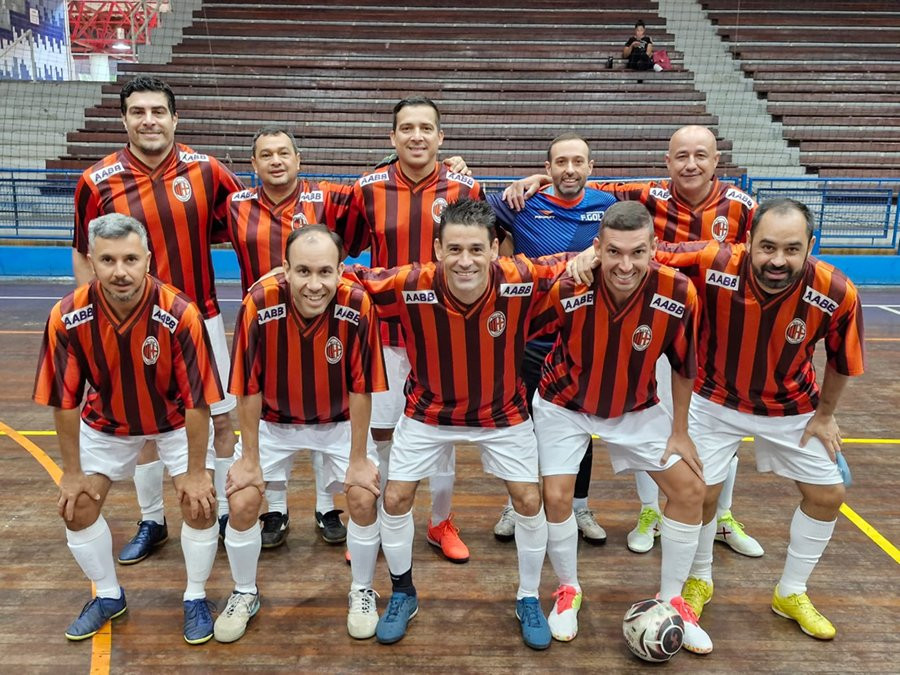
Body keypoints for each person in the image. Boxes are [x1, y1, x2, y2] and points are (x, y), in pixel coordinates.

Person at [571, 198, 865, 642]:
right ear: (748, 242)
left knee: (829, 494)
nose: (777, 260)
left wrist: (825, 416)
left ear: (810, 246)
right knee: (697, 491)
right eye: (767, 247)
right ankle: (699, 579)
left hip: (790, 406)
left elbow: (843, 360)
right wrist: (591, 254)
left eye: (791, 249)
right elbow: (650, 250)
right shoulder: (714, 260)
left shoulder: (837, 292)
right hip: (713, 398)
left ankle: (791, 591)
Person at [504, 124, 763, 558]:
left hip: (712, 334)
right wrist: (543, 181)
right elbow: (584, 183)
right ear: (668, 161)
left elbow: (768, 254)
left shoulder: (743, 206)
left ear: (717, 161)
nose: (691, 164)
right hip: (643, 323)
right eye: (681, 155)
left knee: (710, 435)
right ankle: (649, 511)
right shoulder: (650, 195)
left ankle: (722, 516)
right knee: (650, 419)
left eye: (702, 155)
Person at [348, 199, 568, 649]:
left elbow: (571, 261)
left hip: (502, 412)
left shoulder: (521, 279)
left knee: (529, 500)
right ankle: (404, 593)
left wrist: (591, 256)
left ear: (495, 249)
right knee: (395, 496)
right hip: (429, 410)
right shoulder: (409, 284)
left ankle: (528, 596)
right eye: (453, 249)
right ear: (436, 250)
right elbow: (351, 276)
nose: (464, 260)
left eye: (475, 249)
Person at [71, 76, 243, 563]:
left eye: (158, 111)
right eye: (138, 111)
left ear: (174, 118)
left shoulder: (206, 171)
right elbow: (84, 254)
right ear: (124, 119)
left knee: (223, 417)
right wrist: (90, 322)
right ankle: (152, 519)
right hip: (128, 328)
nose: (149, 120)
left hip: (200, 319)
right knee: (143, 424)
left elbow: (257, 214)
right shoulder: (96, 180)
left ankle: (226, 509)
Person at [33, 214, 225, 644]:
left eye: (130, 259)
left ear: (148, 261)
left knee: (200, 504)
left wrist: (196, 472)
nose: (120, 271)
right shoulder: (67, 316)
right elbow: (64, 403)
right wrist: (71, 470)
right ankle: (107, 595)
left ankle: (195, 597)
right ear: (90, 261)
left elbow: (198, 402)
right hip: (108, 422)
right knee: (77, 506)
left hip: (176, 421)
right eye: (108, 260)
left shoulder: (180, 313)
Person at [532, 201, 711, 653]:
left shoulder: (678, 291)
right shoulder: (570, 280)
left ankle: (673, 599)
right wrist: (561, 274)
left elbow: (685, 365)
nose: (625, 264)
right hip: (564, 403)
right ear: (597, 248)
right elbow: (521, 314)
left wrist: (680, 431)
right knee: (555, 495)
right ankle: (568, 588)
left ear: (654, 248)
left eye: (636, 252)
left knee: (691, 491)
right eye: (613, 252)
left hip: (636, 406)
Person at [218, 225, 387, 642]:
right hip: (276, 423)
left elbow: (361, 388)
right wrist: (250, 459)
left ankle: (362, 589)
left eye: (326, 272)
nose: (315, 284)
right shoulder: (259, 304)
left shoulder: (358, 304)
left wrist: (359, 457)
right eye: (304, 271)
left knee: (364, 498)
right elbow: (249, 387)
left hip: (340, 422)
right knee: (241, 501)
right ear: (285, 269)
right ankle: (244, 592)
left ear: (341, 271)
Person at [345, 96, 483, 565]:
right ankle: (383, 519)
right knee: (381, 432)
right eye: (407, 128)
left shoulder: (466, 189)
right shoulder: (367, 188)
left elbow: (484, 256)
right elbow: (342, 245)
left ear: (441, 137)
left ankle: (440, 521)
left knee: (441, 435)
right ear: (393, 138)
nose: (417, 136)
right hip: (383, 333)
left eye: (426, 128)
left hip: (444, 336)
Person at [486, 132, 616, 545]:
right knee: (521, 421)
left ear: (591, 168)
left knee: (581, 422)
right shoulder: (521, 203)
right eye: (561, 162)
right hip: (529, 332)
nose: (570, 170)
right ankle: (515, 501)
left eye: (578, 161)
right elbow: (465, 203)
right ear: (547, 169)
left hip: (583, 335)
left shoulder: (608, 208)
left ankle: (579, 505)